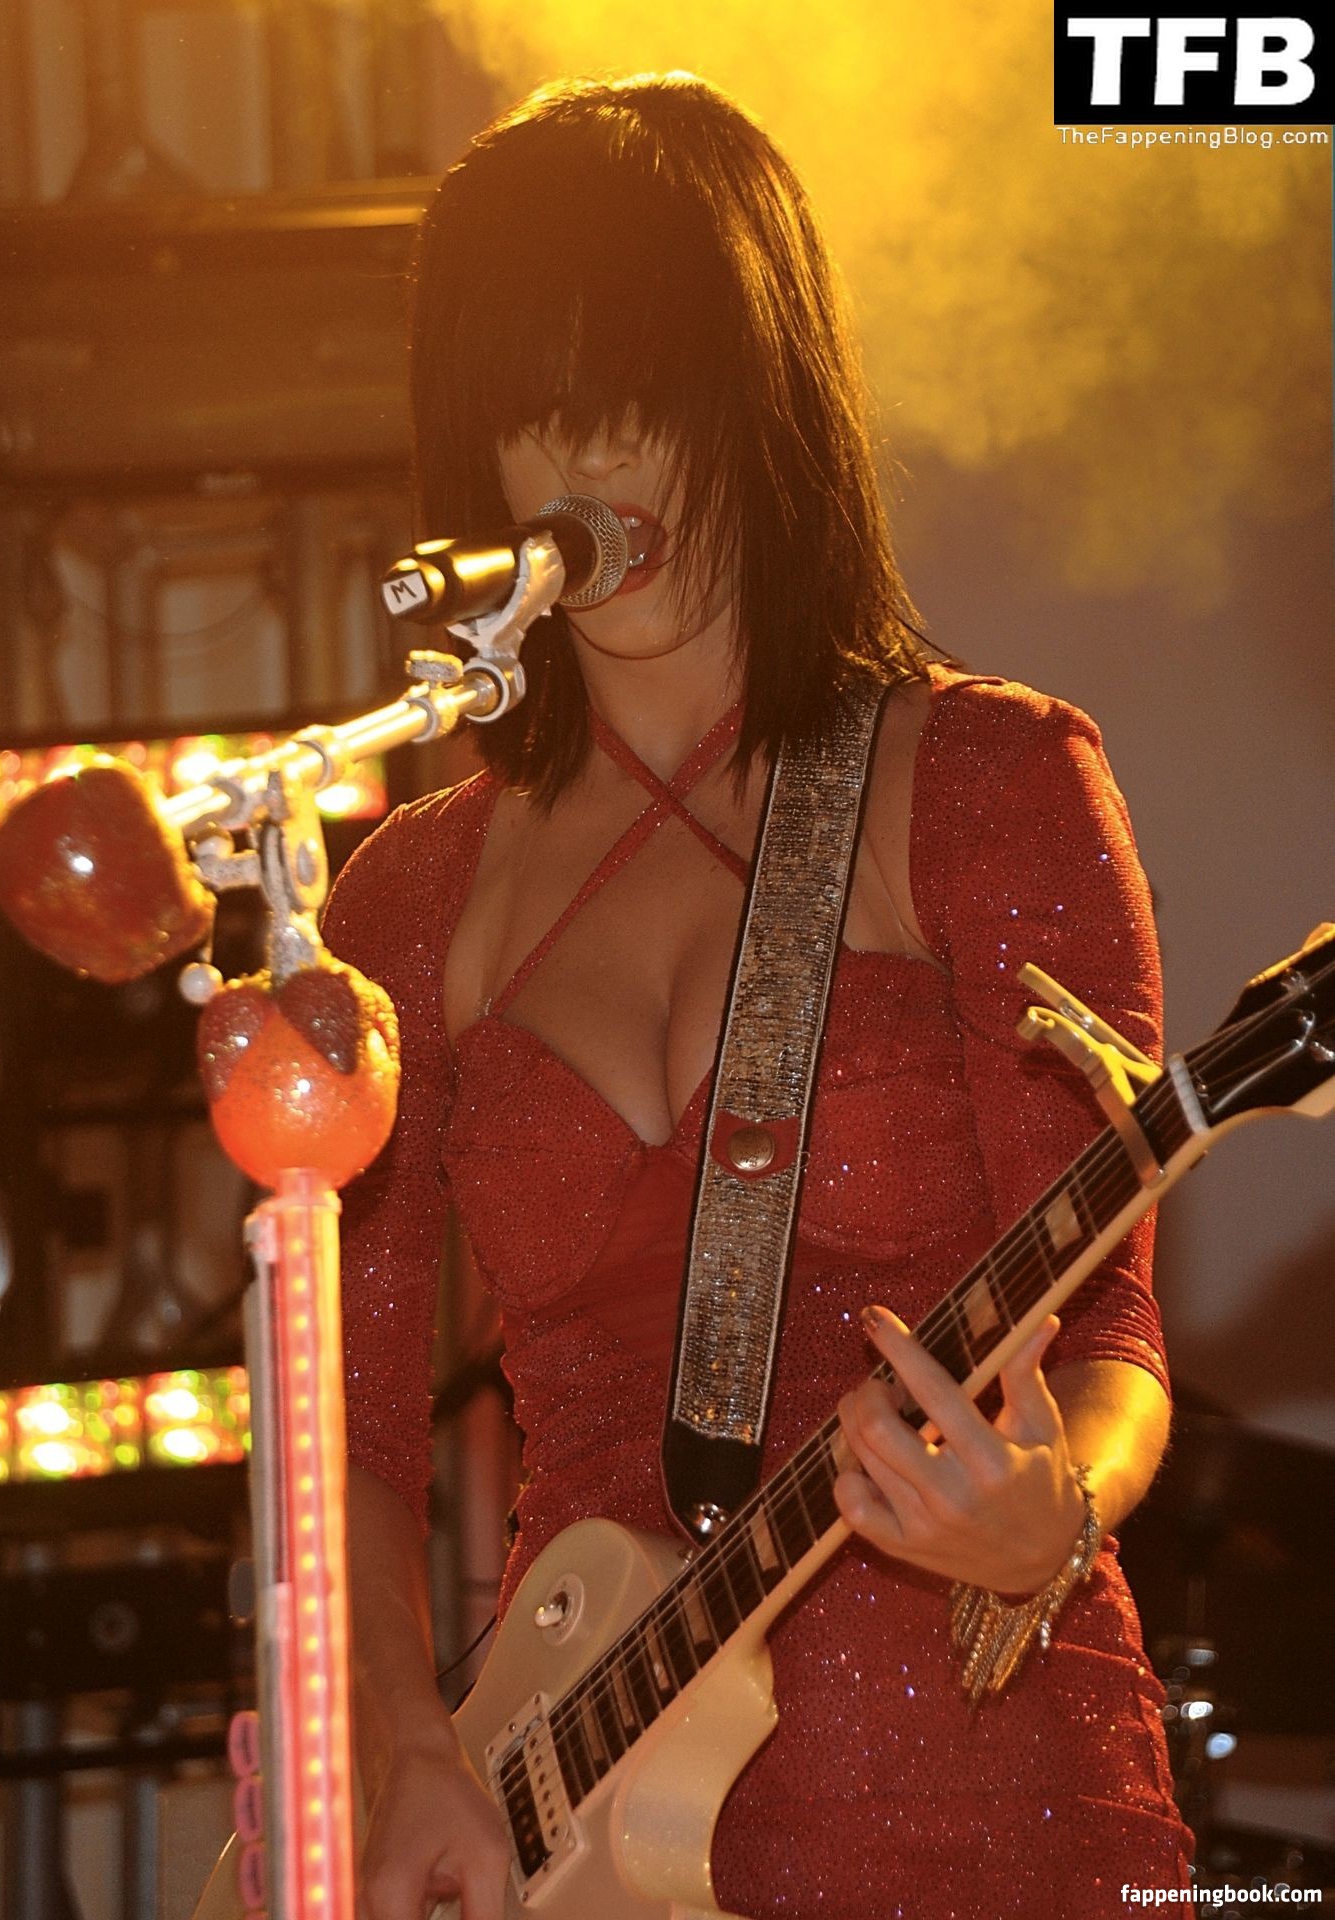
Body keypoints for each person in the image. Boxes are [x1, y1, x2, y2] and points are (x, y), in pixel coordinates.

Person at [323, 72, 1191, 1920]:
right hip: (573, 1806)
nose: (594, 454)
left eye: (646, 390)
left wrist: (1052, 1515)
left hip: (985, 1777)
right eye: (538, 403)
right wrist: (408, 1750)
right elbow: (350, 1431)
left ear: (765, 393)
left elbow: (1107, 1329)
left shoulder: (983, 780)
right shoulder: (407, 900)